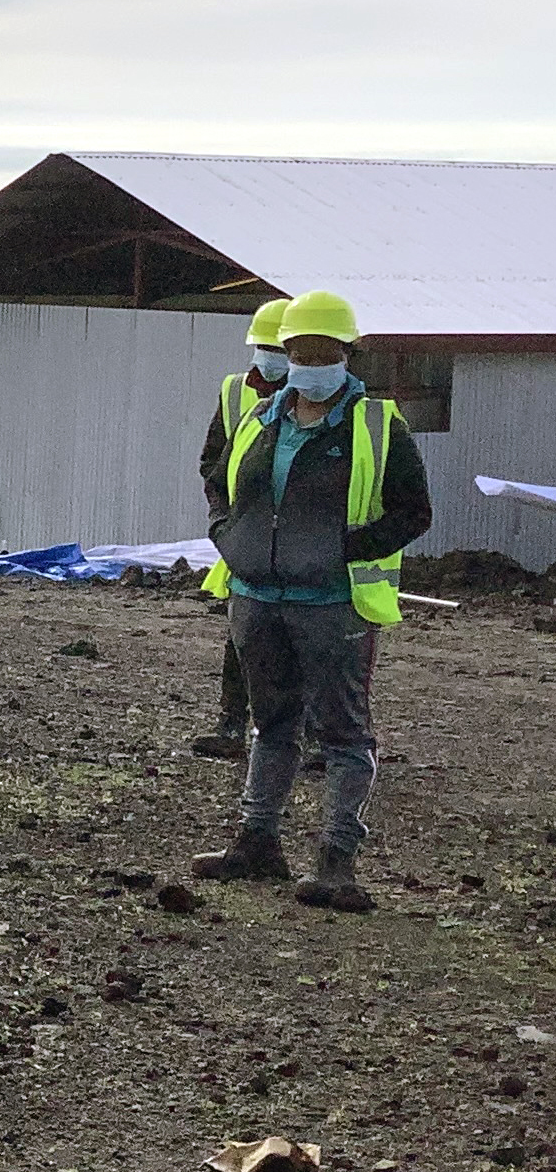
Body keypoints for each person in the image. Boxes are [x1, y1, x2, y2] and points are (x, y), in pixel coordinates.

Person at [189, 290, 429, 915]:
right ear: (287, 352)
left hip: (334, 605)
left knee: (344, 735)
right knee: (272, 726)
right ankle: (257, 843)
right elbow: (220, 484)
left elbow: (415, 511)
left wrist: (346, 550)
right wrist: (228, 538)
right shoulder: (260, 418)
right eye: (300, 350)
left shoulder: (378, 425)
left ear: (347, 355)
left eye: (323, 351)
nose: (310, 360)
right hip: (257, 597)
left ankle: (337, 865)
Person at [191, 298, 292, 761]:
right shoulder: (236, 392)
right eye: (263, 347)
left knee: (306, 643)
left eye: (277, 347)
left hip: (301, 538)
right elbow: (213, 463)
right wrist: (225, 524)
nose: (267, 356)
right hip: (248, 537)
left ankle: (304, 735)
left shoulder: (329, 399)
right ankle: (231, 724)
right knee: (244, 635)